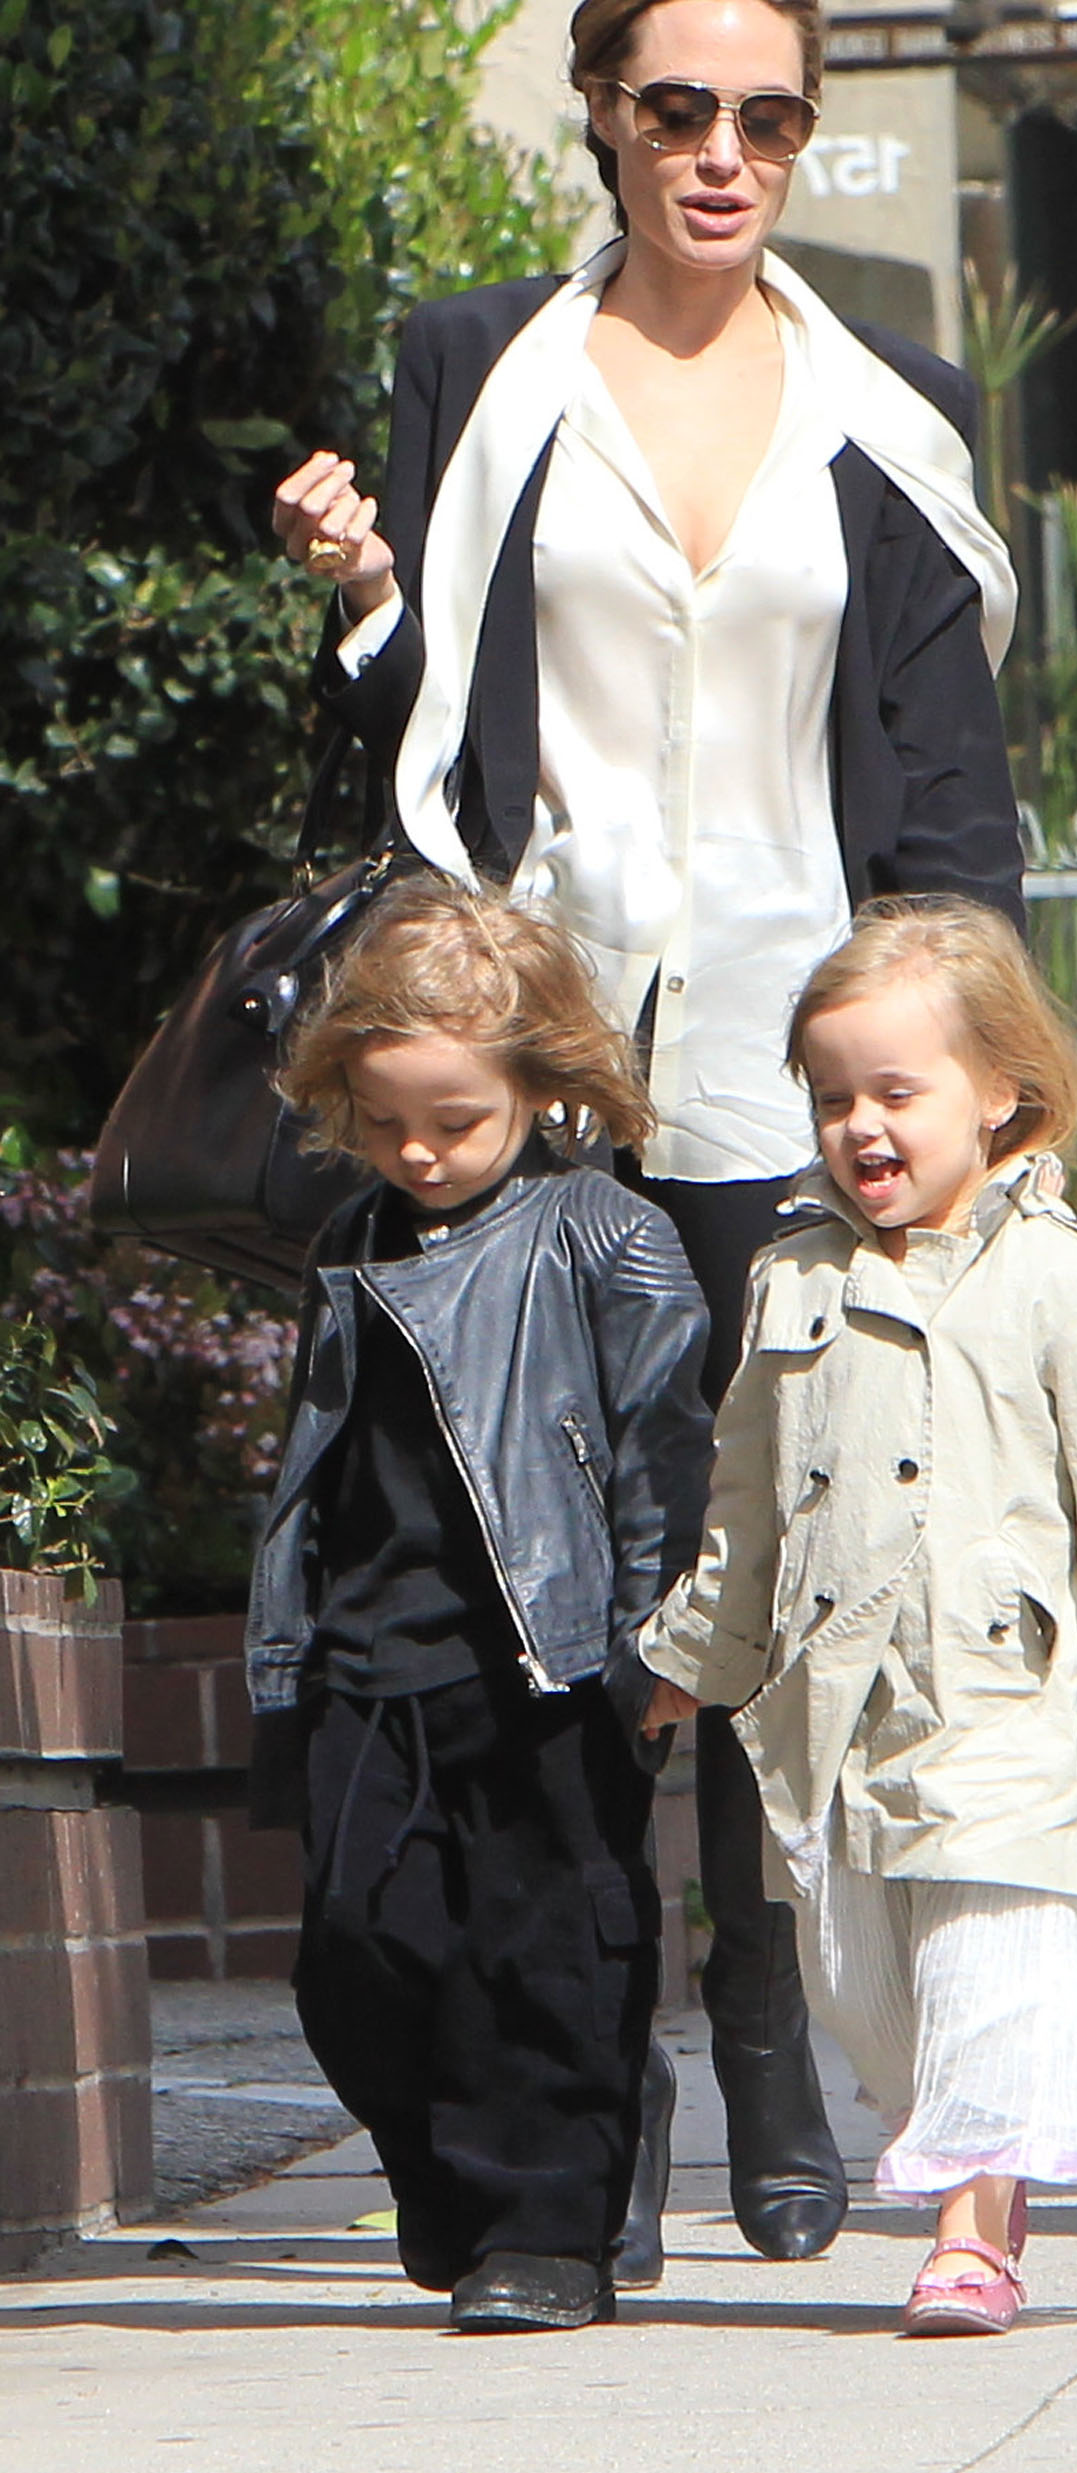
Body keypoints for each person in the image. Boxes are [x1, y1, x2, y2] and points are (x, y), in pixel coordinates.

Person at [268, 0, 1022, 2267]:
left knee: (762, 1566)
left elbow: (948, 775)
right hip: (545, 1060)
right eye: (679, 107)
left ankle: (770, 2036)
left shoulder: (886, 402)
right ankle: (594, 2091)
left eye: (768, 117)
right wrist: (361, 603)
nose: (722, 155)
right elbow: (425, 737)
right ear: (601, 109)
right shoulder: (480, 369)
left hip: (795, 1067)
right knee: (550, 1587)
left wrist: (970, 1078)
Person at [636, 897, 1077, 2335]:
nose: (860, 1127)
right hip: (842, 1705)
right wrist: (699, 1654)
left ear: (1001, 1088)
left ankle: (969, 2237)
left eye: (897, 1092)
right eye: (833, 1098)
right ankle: (971, 2174)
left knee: (992, 1968)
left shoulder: (1069, 1283)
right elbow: (748, 1493)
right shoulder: (789, 1276)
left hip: (1006, 1695)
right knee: (875, 1992)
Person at [244, 880, 711, 2331]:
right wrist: (291, 1642)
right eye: (384, 1121)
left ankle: (549, 2230)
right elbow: (315, 1458)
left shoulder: (605, 1236)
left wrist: (653, 1644)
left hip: (546, 1662)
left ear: (540, 1083)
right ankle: (468, 2187)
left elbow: (661, 1455)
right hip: (367, 1655)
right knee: (357, 1953)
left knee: (544, 1948)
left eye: (456, 1120)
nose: (419, 1151)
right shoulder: (351, 1241)